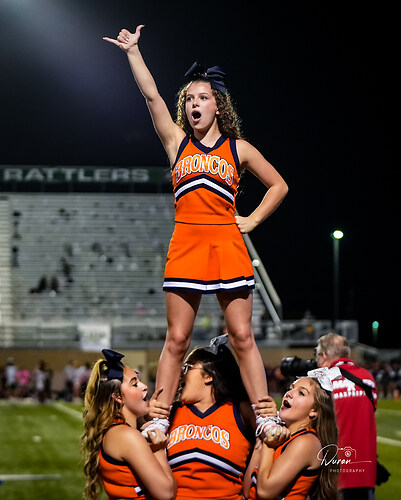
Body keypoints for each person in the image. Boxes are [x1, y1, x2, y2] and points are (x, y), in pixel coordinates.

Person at [103, 25, 288, 436]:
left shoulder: (239, 149)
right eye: (189, 99)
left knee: (242, 335)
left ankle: (265, 414)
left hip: (226, 244)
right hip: (186, 243)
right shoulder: (176, 142)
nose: (193, 104)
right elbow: (152, 96)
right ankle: (158, 417)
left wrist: (253, 220)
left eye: (202, 98)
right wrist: (133, 53)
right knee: (177, 339)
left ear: (218, 105)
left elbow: (279, 185)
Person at [162, 334, 277, 500]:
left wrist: (270, 414)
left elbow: (272, 438)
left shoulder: (240, 411)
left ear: (208, 376)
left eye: (187, 367)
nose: (181, 373)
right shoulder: (169, 413)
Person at [81, 349, 175, 500]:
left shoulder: (118, 430)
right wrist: (159, 449)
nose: (144, 386)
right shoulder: (127, 436)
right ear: (118, 397)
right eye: (135, 384)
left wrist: (145, 415)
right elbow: (166, 493)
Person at [247, 367, 340, 500]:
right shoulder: (281, 436)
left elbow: (264, 492)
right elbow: (247, 491)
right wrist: (261, 439)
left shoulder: (306, 442)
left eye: (301, 393)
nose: (289, 393)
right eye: (290, 388)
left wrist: (269, 445)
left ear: (314, 411)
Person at [316, 333, 378, 500]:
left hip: (332, 473)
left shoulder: (323, 381)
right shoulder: (367, 378)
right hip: (365, 472)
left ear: (324, 356)